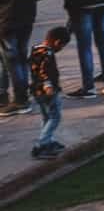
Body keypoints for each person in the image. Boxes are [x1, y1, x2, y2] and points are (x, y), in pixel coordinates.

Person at [0, 0, 48, 115]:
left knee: (13, 61)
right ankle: (4, 96)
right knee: (15, 57)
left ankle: (20, 100)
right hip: (27, 19)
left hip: (6, 22)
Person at [30, 26, 71, 158]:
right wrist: (48, 85)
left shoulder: (35, 49)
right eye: (62, 46)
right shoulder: (47, 54)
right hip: (47, 90)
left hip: (36, 90)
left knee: (46, 117)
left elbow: (33, 68)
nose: (60, 49)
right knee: (55, 117)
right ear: (57, 42)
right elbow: (44, 70)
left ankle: (49, 141)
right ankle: (41, 145)